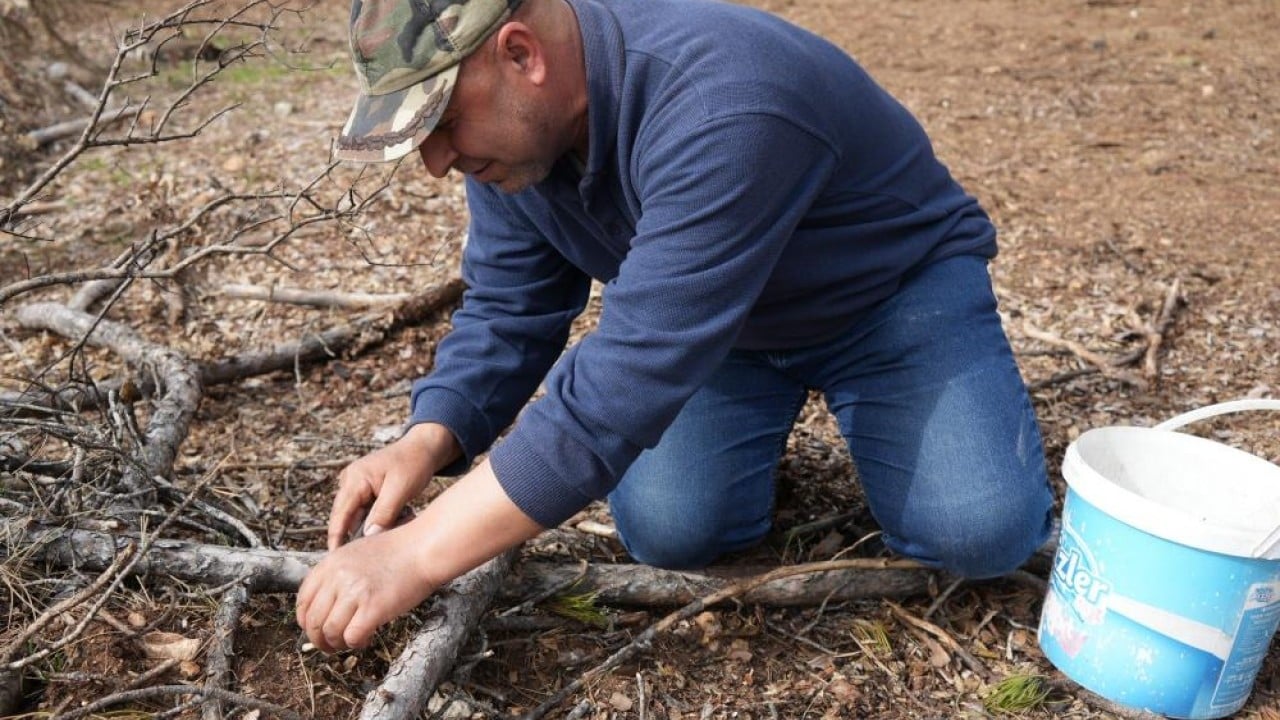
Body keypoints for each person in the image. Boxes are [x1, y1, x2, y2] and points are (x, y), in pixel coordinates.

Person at [296, 0, 1055, 653]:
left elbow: (613, 397)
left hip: (890, 297)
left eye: (442, 120)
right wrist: (429, 437)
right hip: (720, 331)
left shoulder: (725, 101)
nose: (435, 160)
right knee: (671, 531)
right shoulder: (518, 138)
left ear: (520, 54)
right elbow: (511, 305)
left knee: (978, 534)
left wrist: (416, 556)